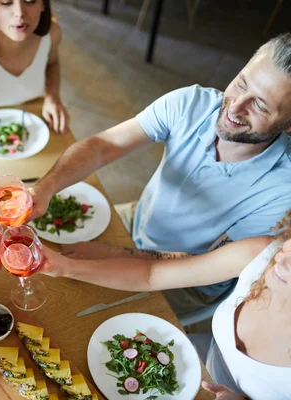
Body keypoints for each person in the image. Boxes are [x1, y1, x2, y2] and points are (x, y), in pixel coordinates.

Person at [29, 33, 291, 315]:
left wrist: (114, 253)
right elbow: (102, 147)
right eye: (241, 83)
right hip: (140, 221)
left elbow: (203, 263)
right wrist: (44, 189)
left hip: (189, 280)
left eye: (260, 106)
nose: (236, 107)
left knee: (76, 311)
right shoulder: (192, 103)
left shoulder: (283, 193)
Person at [39, 210, 291, 399]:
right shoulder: (265, 253)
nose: (284, 258)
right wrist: (66, 267)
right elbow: (152, 274)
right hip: (199, 359)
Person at [0, 0, 70, 150]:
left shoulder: (51, 33)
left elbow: (52, 62)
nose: (20, 13)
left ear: (43, 4)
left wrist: (53, 97)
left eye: (30, 1)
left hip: (33, 118)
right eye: (6, 2)